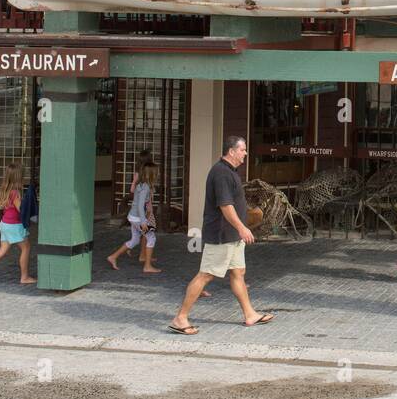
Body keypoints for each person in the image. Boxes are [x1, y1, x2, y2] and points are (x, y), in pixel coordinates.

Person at [169, 136, 272, 334]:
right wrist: (242, 228)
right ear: (231, 151)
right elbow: (225, 206)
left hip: (232, 236)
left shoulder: (229, 172)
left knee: (238, 272)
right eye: (242, 150)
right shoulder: (222, 173)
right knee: (205, 275)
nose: (245, 153)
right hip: (221, 235)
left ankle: (250, 314)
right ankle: (180, 318)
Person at [106, 161, 161, 274]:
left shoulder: (141, 185)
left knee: (135, 240)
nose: (158, 174)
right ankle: (147, 266)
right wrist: (144, 221)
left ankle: (113, 257)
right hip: (138, 218)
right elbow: (141, 205)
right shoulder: (145, 187)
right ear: (152, 174)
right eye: (156, 173)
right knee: (151, 238)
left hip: (133, 216)